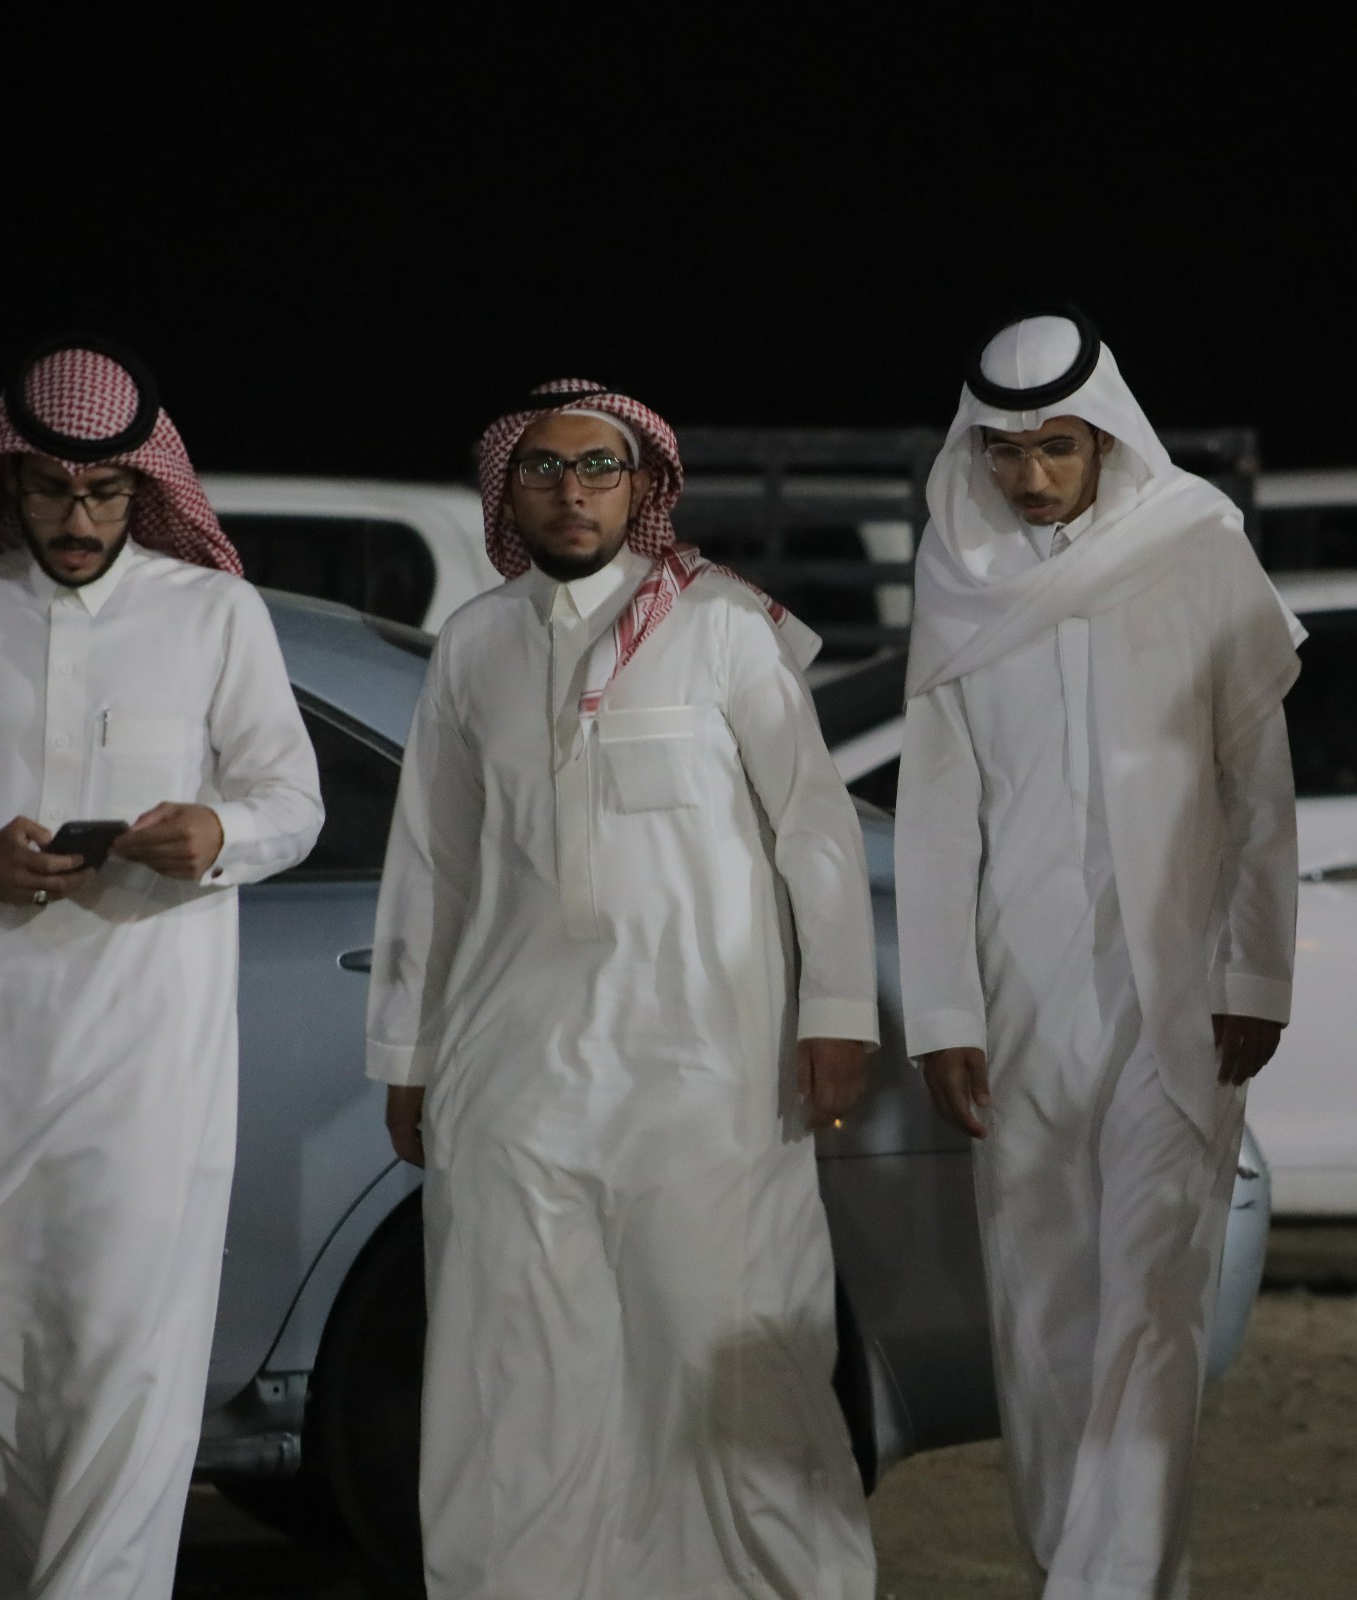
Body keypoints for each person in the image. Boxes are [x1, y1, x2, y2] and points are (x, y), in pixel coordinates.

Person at [365, 379, 879, 1599]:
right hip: (513, 1070)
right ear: (507, 488)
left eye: (598, 467)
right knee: (516, 1367)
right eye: (543, 468)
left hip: (706, 1066)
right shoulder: (476, 645)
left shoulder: (722, 627)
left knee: (727, 1356)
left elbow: (816, 830)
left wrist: (837, 1012)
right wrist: (408, 1053)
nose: (572, 491)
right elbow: (431, 862)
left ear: (645, 484)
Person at [0, 338, 324, 1599]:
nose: (79, 518)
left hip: (146, 1071)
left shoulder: (212, 613)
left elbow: (293, 802)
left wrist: (218, 834)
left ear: (143, 491)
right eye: (52, 490)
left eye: (104, 492)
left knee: (120, 1370)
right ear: (7, 483)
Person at [894, 309, 1301, 1597]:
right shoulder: (957, 569)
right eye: (1006, 450)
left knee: (1154, 1303)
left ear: (1106, 438)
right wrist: (943, 1011)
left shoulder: (1196, 548)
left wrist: (1258, 971)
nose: (1030, 476)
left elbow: (1258, 786)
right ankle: (1090, 1567)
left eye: (1056, 447)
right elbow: (936, 808)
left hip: (1177, 989)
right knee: (1043, 1307)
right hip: (1019, 994)